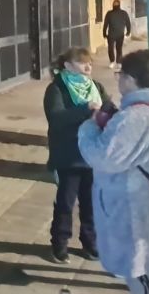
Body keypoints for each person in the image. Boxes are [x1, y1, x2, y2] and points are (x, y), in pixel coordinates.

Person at [78, 50, 149, 294]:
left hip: (138, 218)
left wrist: (89, 126)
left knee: (142, 276)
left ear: (131, 79)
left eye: (120, 75)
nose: (118, 80)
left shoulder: (136, 117)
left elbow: (102, 157)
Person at [43, 47, 113, 264]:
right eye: (82, 63)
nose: (88, 67)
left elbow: (110, 109)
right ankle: (60, 243)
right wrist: (85, 109)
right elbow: (56, 118)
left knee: (91, 202)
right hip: (68, 156)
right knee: (65, 202)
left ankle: (90, 242)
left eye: (90, 63)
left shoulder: (96, 87)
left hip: (93, 156)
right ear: (67, 66)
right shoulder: (56, 89)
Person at [102, 0, 132, 69]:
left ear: (119, 4)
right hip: (111, 34)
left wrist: (128, 32)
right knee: (110, 48)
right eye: (114, 3)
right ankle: (112, 61)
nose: (115, 5)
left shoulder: (124, 13)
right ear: (113, 4)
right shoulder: (109, 13)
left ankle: (119, 62)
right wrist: (104, 33)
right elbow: (105, 24)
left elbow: (128, 23)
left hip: (120, 34)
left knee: (119, 49)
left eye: (117, 3)